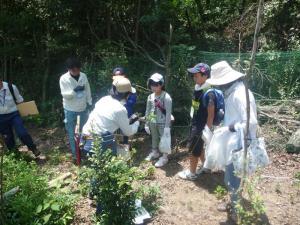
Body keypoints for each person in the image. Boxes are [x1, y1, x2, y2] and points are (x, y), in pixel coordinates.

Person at [206, 61, 258, 221]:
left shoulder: (240, 94)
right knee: (231, 176)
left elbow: (251, 121)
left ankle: (236, 212)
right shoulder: (233, 92)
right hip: (233, 141)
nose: (219, 87)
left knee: (232, 178)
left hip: (240, 142)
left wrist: (229, 128)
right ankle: (233, 203)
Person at [81, 77, 140, 154]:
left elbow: (108, 120)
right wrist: (136, 122)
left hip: (83, 141)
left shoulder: (104, 99)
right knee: (126, 152)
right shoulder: (120, 109)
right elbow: (128, 132)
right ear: (127, 95)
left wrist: (127, 121)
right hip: (95, 147)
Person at [178, 63, 216, 180]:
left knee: (193, 149)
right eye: (193, 76)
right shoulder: (198, 87)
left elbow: (211, 113)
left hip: (201, 126)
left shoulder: (208, 92)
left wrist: (207, 129)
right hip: (196, 122)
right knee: (199, 147)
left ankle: (192, 173)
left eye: (197, 75)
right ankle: (206, 166)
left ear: (205, 76)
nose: (194, 78)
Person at [59, 57, 92, 161]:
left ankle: (85, 151)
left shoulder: (83, 76)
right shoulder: (64, 79)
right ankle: (75, 155)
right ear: (69, 69)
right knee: (72, 133)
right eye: (73, 70)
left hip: (83, 108)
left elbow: (88, 90)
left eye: (78, 69)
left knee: (85, 131)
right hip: (70, 109)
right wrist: (74, 91)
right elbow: (65, 95)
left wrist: (89, 102)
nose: (76, 71)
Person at [0, 78, 40, 156]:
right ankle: (15, 154)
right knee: (8, 138)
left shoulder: (11, 87)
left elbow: (20, 100)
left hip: (14, 114)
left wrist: (28, 111)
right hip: (1, 117)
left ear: (0, 80)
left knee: (22, 133)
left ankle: (33, 148)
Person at [144, 73, 172, 168]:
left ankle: (164, 157)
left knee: (164, 139)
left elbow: (168, 113)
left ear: (161, 84)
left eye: (156, 84)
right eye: (152, 84)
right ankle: (155, 152)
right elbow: (147, 111)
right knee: (154, 137)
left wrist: (167, 127)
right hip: (152, 121)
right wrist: (147, 123)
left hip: (163, 122)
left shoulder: (166, 97)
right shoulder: (150, 97)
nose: (154, 87)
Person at [112, 67, 137, 144]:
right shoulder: (112, 89)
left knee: (124, 134)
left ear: (124, 76)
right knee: (114, 136)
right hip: (114, 116)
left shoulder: (131, 89)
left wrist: (122, 104)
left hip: (126, 115)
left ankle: (124, 151)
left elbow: (131, 103)